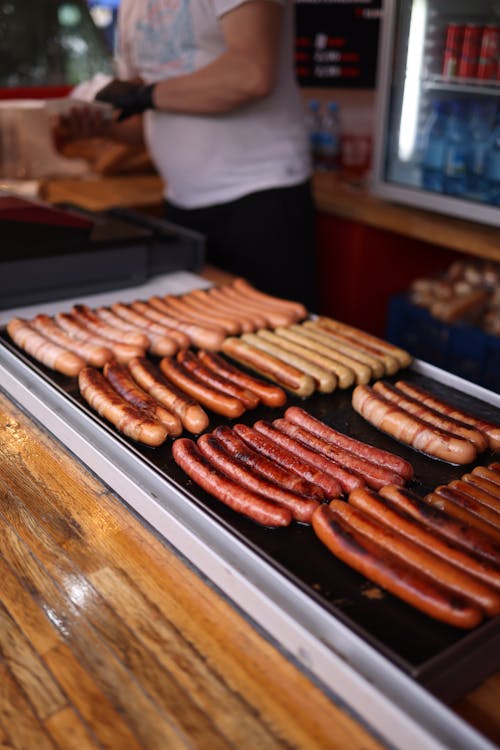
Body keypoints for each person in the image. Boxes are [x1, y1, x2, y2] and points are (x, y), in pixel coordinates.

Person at [58, 0, 318, 310]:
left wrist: (143, 96)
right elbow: (155, 117)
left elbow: (252, 73)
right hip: (181, 206)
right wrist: (100, 128)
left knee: (275, 342)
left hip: (261, 200)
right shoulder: (131, 5)